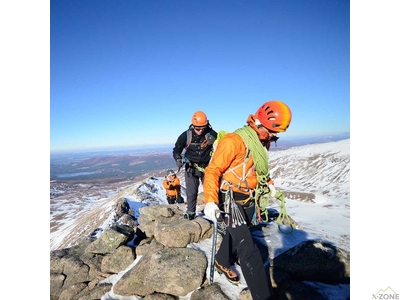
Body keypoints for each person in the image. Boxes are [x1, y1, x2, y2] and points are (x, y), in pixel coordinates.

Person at [203, 100, 292, 300]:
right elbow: (212, 171)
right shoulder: (234, 141)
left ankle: (222, 260)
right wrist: (210, 200)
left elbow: (256, 167)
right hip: (230, 199)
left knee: (236, 235)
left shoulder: (260, 141)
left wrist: (267, 182)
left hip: (248, 197)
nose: (273, 137)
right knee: (248, 250)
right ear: (260, 124)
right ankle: (263, 296)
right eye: (271, 132)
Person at [173, 111, 218, 220]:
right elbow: (177, 149)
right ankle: (191, 212)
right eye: (198, 128)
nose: (201, 131)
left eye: (203, 127)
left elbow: (222, 147)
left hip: (207, 167)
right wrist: (178, 158)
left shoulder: (212, 134)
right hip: (191, 168)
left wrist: (215, 142)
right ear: (193, 126)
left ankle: (216, 212)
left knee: (211, 190)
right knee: (191, 192)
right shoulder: (186, 135)